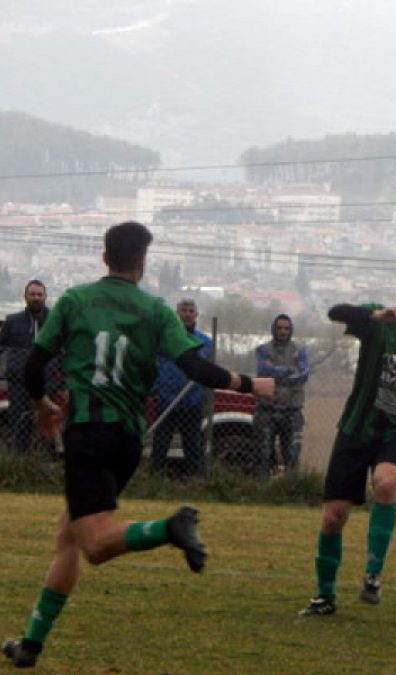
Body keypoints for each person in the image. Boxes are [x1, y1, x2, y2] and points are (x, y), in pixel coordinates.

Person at [1, 221, 274, 669]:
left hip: (88, 433)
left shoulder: (74, 301)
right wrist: (248, 383)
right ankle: (31, 643)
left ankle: (171, 528)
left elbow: (34, 365)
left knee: (95, 544)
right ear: (142, 262)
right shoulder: (156, 311)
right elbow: (195, 367)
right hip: (130, 438)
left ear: (104, 257)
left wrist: (40, 404)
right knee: (68, 530)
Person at [299, 267, 396, 617]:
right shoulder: (380, 320)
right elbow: (335, 312)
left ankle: (373, 574)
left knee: (386, 484)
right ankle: (325, 597)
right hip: (356, 429)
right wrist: (372, 314)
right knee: (333, 517)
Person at [149, 298, 212, 477]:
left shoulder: (205, 342)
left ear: (196, 314)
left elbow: (210, 372)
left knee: (193, 447)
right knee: (160, 445)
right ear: (177, 313)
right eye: (183, 310)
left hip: (192, 402)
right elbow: (153, 364)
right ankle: (155, 480)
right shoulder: (164, 338)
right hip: (166, 400)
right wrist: (155, 391)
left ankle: (194, 483)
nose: (187, 314)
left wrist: (206, 397)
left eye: (190, 311)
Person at [0, 280, 55, 454]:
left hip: (48, 382)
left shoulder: (55, 321)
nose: (36, 298)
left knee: (48, 423)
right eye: (32, 294)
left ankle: (47, 458)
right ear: (25, 297)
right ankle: (19, 457)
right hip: (19, 382)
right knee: (18, 421)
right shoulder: (12, 321)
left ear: (45, 297)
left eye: (39, 294)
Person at [253, 314, 310, 477]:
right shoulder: (262, 350)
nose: (283, 332)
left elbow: (303, 374)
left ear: (291, 330)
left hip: (292, 411)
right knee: (262, 455)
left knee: (291, 456)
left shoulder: (300, 351)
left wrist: (275, 371)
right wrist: (288, 370)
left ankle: (290, 491)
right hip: (266, 410)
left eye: (286, 328)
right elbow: (263, 370)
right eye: (279, 328)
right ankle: (260, 491)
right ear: (274, 329)